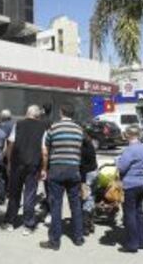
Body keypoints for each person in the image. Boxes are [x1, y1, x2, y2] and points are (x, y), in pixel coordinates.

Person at [39, 104, 84, 250]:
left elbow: (46, 150)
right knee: (76, 205)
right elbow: (80, 149)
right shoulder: (79, 129)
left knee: (56, 205)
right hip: (73, 170)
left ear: (61, 112)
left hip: (57, 170)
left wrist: (44, 169)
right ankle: (78, 238)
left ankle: (55, 241)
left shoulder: (54, 128)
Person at [4, 105, 45, 234]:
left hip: (17, 163)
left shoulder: (18, 124)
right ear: (37, 115)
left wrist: (9, 162)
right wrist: (43, 168)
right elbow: (44, 151)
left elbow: (10, 143)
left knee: (14, 193)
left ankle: (10, 221)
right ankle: (28, 225)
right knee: (30, 194)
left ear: (27, 113)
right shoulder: (43, 127)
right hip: (33, 164)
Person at [116, 125, 143, 253]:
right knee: (139, 211)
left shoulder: (129, 150)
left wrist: (117, 162)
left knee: (129, 213)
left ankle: (132, 243)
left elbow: (121, 168)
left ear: (129, 135)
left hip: (131, 184)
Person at [80, 131, 98, 236]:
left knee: (84, 198)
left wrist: (81, 181)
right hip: (93, 172)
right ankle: (90, 223)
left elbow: (82, 166)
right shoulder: (90, 144)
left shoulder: (81, 148)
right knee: (91, 197)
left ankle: (85, 225)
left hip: (86, 174)